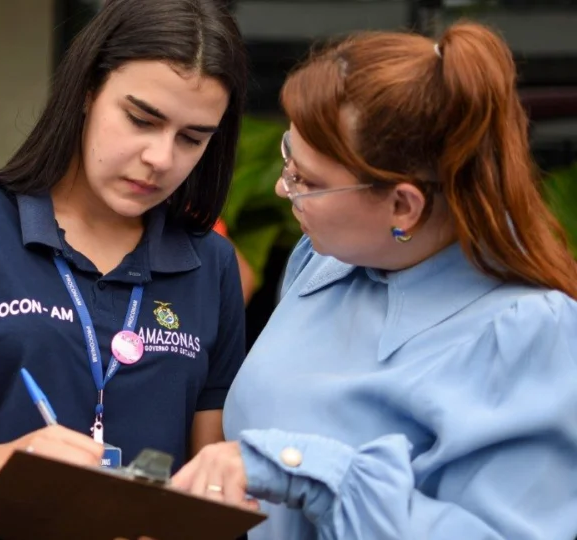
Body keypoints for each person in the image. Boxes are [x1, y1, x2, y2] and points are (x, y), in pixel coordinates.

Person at [0, 0, 249, 538]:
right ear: (86, 90)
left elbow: (209, 468)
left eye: (192, 138)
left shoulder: (209, 263)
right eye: (141, 119)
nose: (160, 157)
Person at [171, 22, 577, 540]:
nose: (281, 188)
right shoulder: (324, 263)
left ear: (403, 206)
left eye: (307, 183)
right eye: (288, 158)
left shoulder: (528, 334)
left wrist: (309, 471)